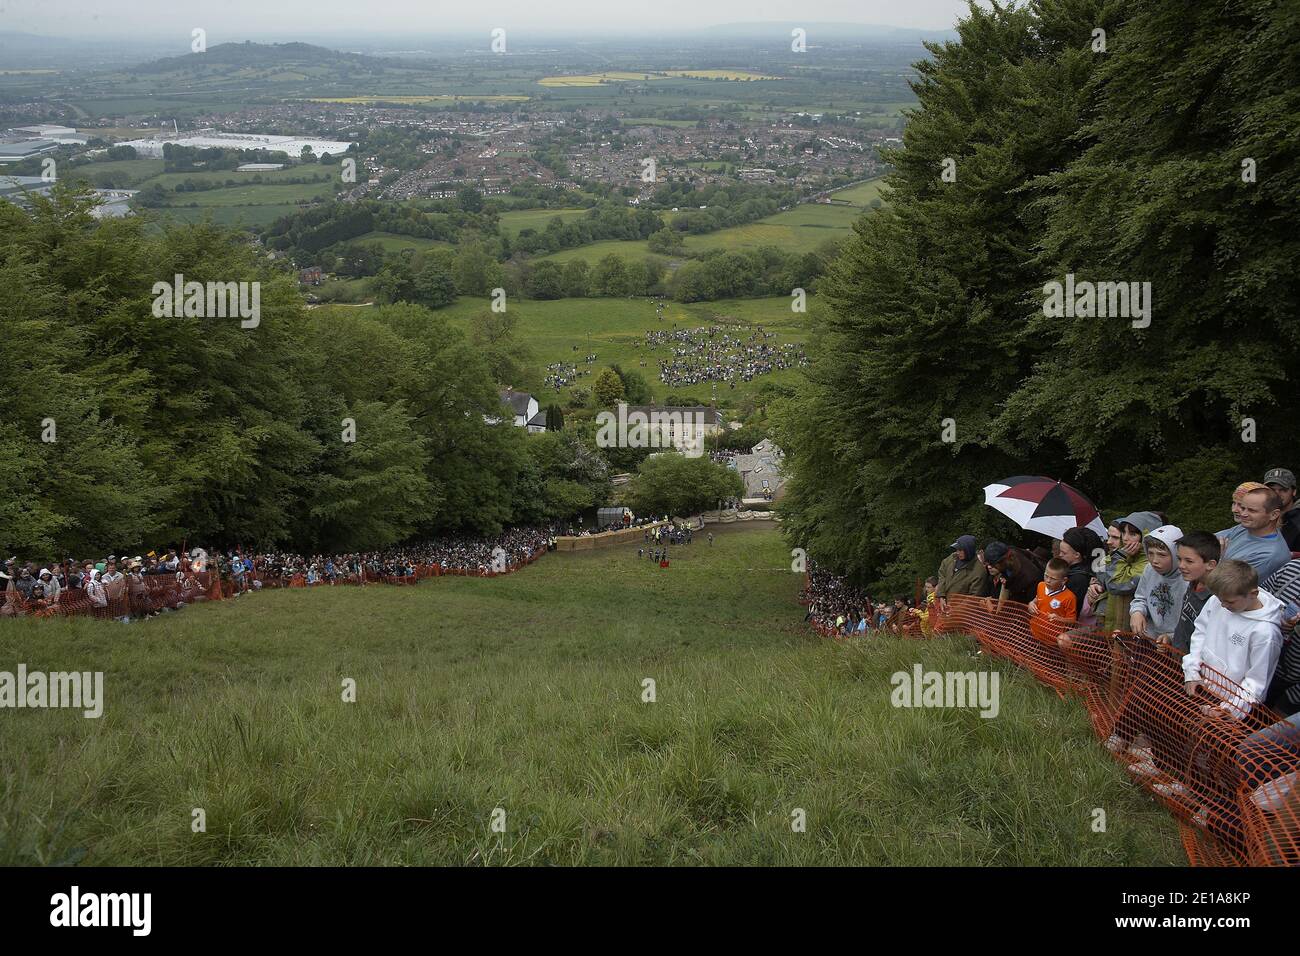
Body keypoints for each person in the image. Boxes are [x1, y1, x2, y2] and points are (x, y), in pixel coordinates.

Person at [1183, 560, 1283, 721]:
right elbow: (1200, 632)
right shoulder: (1221, 597)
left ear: (1253, 594)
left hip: (1232, 705)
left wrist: (1229, 709)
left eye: (1229, 602)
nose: (1222, 605)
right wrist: (1191, 671)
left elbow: (1256, 682)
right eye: (1219, 599)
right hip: (1202, 686)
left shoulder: (1265, 633)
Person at [1218, 486, 1292, 583]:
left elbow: (1226, 586)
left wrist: (1218, 559)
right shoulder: (1245, 528)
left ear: (1274, 515)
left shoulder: (1269, 555)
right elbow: (1204, 542)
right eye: (1243, 508)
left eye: (1252, 510)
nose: (1243, 514)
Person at [1129, 525, 1187, 643]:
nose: (1154, 560)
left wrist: (1172, 637)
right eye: (1150, 553)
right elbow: (1140, 598)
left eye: (1162, 555)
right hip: (1149, 638)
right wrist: (1137, 612)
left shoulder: (1187, 578)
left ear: (1177, 555)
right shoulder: (1149, 569)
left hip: (1178, 643)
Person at [1103, 512, 1159, 631]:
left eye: (1132, 534)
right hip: (1113, 625)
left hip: (1135, 632)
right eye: (1123, 532)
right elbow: (1101, 569)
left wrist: (1121, 556)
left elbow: (1116, 584)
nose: (1125, 538)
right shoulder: (1126, 554)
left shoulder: (1149, 564)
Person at [1170, 532, 1221, 654]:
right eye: (1179, 559)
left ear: (1210, 564)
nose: (1181, 565)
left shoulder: (1217, 599)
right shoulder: (1193, 581)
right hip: (1178, 657)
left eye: (1189, 561)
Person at [935, 534, 992, 611]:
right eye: (957, 549)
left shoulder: (979, 571)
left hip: (962, 614)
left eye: (960, 550)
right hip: (945, 605)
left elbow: (973, 598)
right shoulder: (952, 557)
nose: (957, 552)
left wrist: (956, 610)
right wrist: (941, 596)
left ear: (969, 550)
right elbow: (942, 573)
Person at [1028, 557, 1077, 643]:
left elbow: (1072, 620)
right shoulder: (1041, 585)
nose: (1048, 580)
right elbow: (1037, 599)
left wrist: (1059, 619)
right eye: (1046, 575)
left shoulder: (1070, 597)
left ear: (1064, 580)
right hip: (1034, 632)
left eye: (1053, 579)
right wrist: (1031, 603)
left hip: (1052, 639)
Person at [1059, 526, 1103, 620]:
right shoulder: (1089, 569)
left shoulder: (1079, 579)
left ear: (1077, 555)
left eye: (1064, 553)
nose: (1060, 555)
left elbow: (1072, 612)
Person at [982, 540, 1043, 607]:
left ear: (1001, 561)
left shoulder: (1030, 578)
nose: (990, 567)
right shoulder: (1008, 554)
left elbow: (1028, 606)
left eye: (993, 565)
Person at [1263, 468, 1300, 551]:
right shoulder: (1257, 515)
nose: (1277, 494)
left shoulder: (1297, 522)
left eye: (1283, 490)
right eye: (1272, 489)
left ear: (1294, 492)